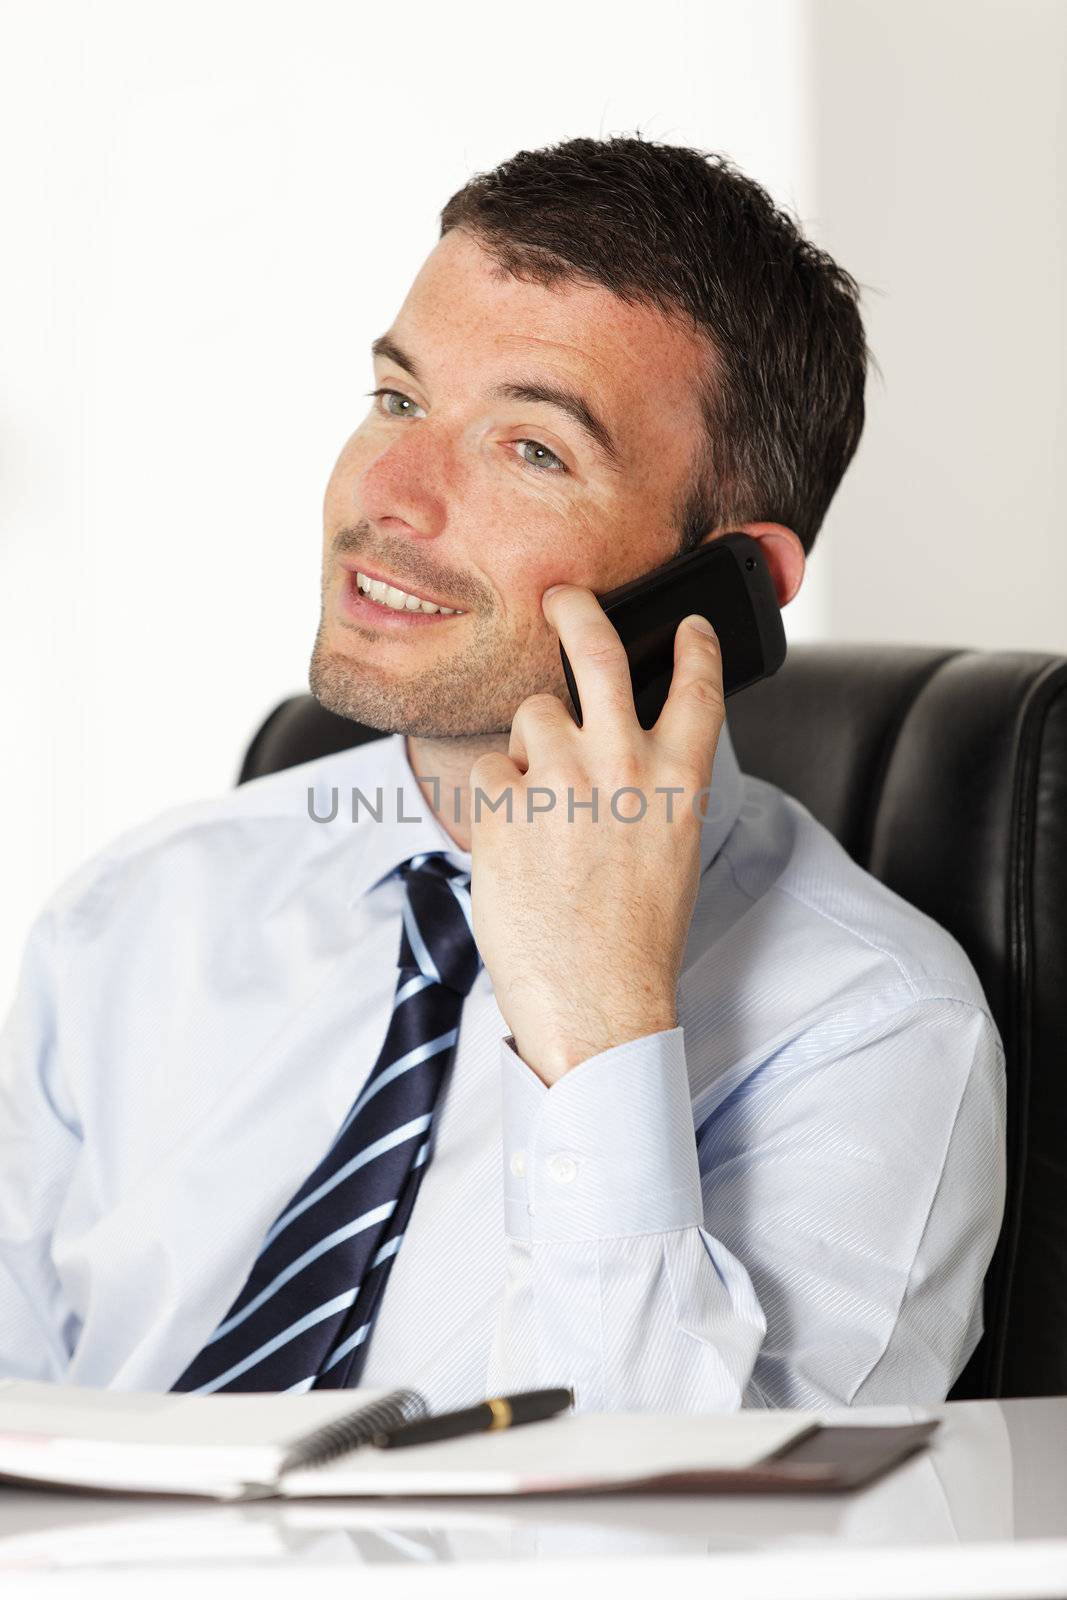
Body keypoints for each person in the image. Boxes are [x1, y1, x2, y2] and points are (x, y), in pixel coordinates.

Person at [0, 134, 1005, 1409]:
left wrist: (597, 1032)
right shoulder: (135, 918)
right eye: (397, 400)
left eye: (531, 449)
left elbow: (673, 1544)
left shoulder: (872, 1030)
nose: (389, 497)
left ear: (734, 580)